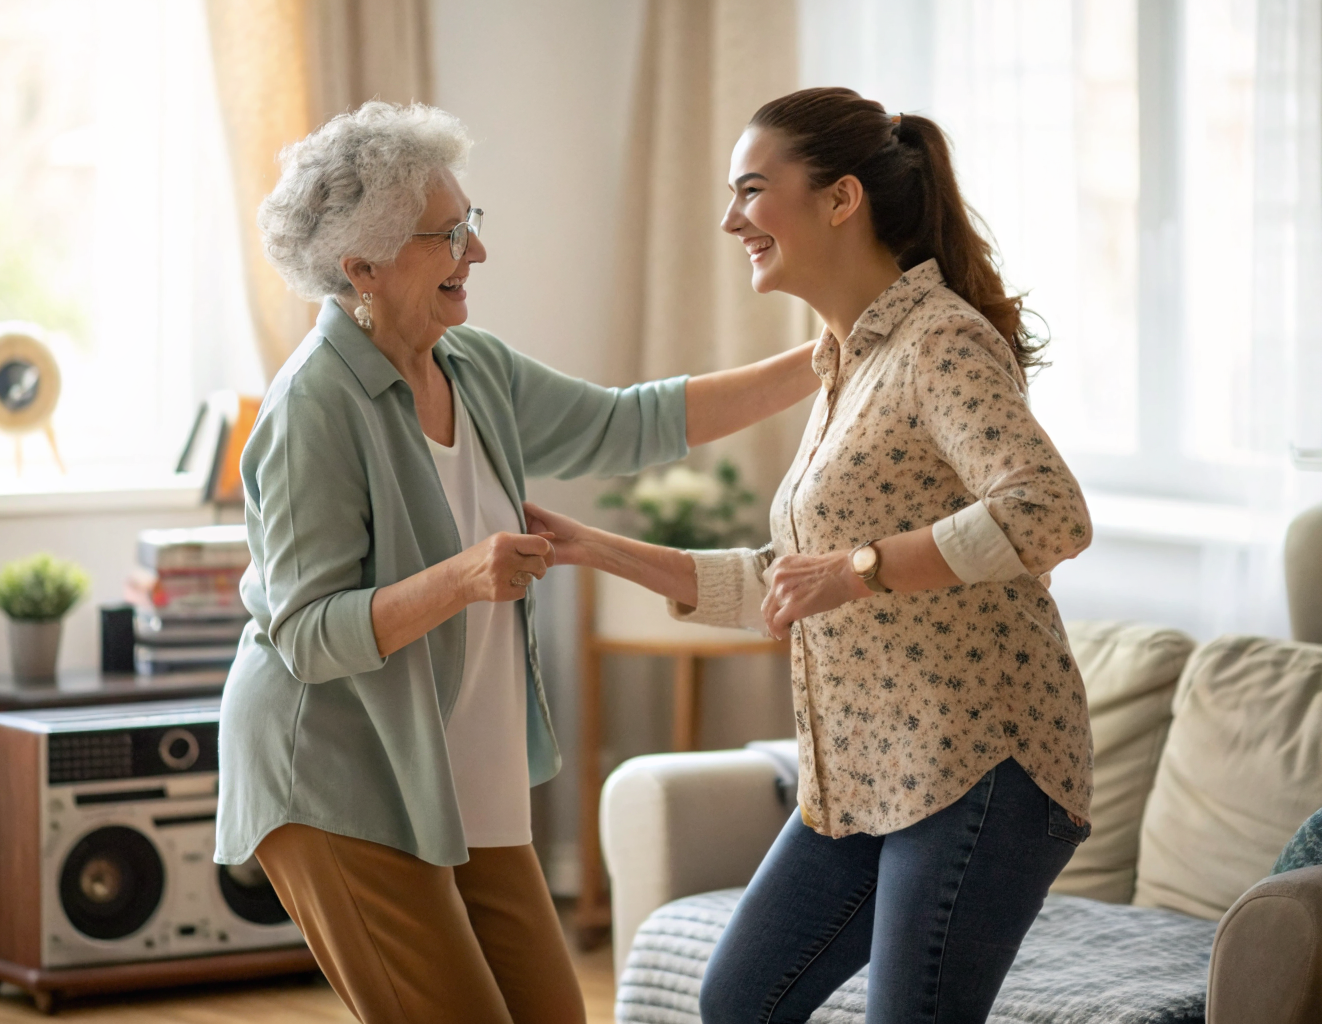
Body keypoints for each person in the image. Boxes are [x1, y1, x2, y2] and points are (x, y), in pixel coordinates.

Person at [211, 100, 820, 1024]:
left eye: (471, 223)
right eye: (447, 235)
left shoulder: (470, 366)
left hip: (465, 770)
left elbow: (630, 423)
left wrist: (830, 354)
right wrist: (463, 578)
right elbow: (306, 634)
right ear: (361, 266)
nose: (478, 251)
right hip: (338, 777)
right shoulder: (314, 407)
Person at [523, 87, 1095, 1024]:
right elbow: (785, 583)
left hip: (979, 766)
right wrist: (591, 547)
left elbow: (1047, 514)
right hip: (863, 771)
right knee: (739, 1000)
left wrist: (859, 569)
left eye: (752, 189)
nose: (730, 219)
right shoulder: (842, 365)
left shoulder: (940, 341)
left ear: (840, 199)